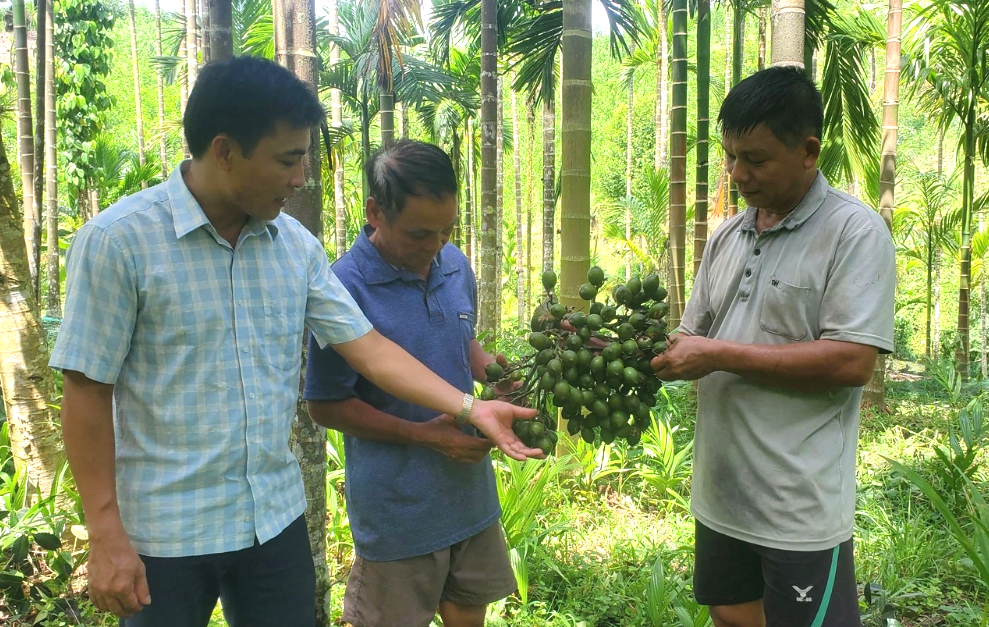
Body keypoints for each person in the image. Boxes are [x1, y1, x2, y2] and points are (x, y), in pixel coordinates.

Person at [49, 56, 541, 627]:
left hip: (273, 525)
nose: (301, 177)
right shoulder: (119, 242)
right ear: (225, 150)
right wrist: (104, 530)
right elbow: (86, 389)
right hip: (165, 533)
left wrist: (471, 407)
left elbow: (370, 349)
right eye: (288, 159)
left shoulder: (295, 248)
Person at [650, 66, 895, 627]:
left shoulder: (853, 233)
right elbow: (690, 336)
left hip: (797, 508)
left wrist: (716, 354)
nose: (738, 174)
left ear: (808, 151)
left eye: (755, 159)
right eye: (731, 156)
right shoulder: (727, 236)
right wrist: (614, 345)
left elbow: (852, 360)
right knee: (730, 613)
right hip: (721, 494)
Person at [304, 140, 517, 627]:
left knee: (469, 612)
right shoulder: (343, 288)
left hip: (469, 496)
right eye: (420, 233)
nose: (435, 245)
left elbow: (460, 340)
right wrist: (422, 435)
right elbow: (326, 404)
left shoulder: (453, 263)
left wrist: (497, 375)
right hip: (398, 513)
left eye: (446, 229)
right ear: (375, 212)